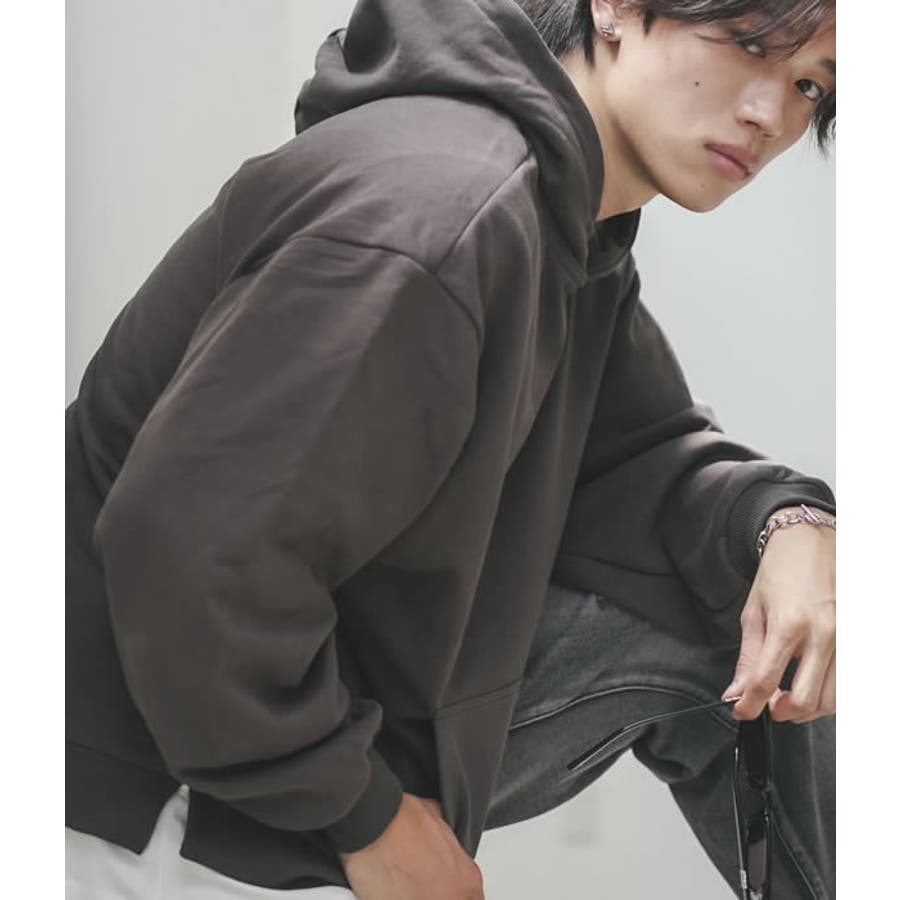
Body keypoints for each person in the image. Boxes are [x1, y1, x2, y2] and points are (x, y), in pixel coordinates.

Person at [65, 0, 837, 898]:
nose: (771, 114)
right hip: (150, 797)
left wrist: (790, 522)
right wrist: (365, 814)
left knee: (778, 628)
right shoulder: (445, 210)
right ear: (617, 8)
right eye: (749, 45)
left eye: (809, 87)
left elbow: (641, 457)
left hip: (263, 736)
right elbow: (189, 555)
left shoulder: (567, 222)